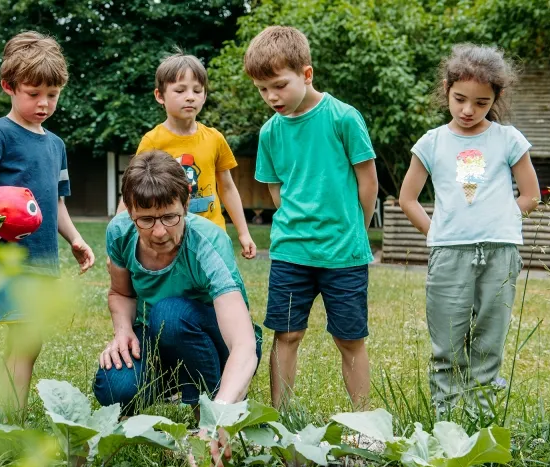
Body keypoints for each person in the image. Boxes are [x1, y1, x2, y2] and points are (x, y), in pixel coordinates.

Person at [399, 44, 540, 416]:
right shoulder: (431, 142)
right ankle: (445, 422)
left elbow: (531, 195)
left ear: (496, 97)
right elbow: (408, 198)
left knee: (488, 344)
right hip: (450, 255)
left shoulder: (508, 139)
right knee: (447, 345)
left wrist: (504, 220)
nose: (468, 110)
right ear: (446, 88)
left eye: (480, 102)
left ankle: (480, 422)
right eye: (460, 98)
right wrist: (437, 233)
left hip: (501, 252)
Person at [0, 31, 95, 413]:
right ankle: (11, 417)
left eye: (52, 94)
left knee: (31, 341)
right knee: (22, 337)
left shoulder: (55, 144)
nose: (44, 103)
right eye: (33, 93)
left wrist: (75, 240)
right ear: (9, 86)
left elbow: (56, 204)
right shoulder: (0, 134)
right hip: (10, 258)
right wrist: (0, 203)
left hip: (44, 257)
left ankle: (8, 409)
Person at [243, 26, 378, 410]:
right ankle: (279, 420)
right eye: (262, 89)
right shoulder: (270, 133)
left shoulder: (343, 118)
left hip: (344, 254)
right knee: (286, 334)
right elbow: (277, 192)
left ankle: (363, 422)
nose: (271, 97)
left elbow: (367, 182)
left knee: (350, 339)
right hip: (290, 254)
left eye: (279, 85)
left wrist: (357, 229)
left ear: (307, 74)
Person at [93, 150, 261, 419]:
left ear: (185, 206)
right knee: (115, 390)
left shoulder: (208, 243)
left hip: (216, 342)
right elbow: (121, 292)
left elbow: (243, 344)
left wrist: (220, 415)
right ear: (130, 210)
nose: (159, 232)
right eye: (145, 219)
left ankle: (209, 401)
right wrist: (123, 331)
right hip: (158, 336)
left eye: (170, 217)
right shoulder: (119, 232)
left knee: (169, 313)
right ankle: (177, 384)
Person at [126, 50, 256, 258]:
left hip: (212, 234)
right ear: (160, 96)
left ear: (204, 95)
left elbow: (227, 187)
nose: (190, 97)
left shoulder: (214, 138)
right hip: (170, 236)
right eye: (180, 90)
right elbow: (133, 191)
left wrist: (244, 233)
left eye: (197, 90)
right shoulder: (152, 141)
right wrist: (120, 237)